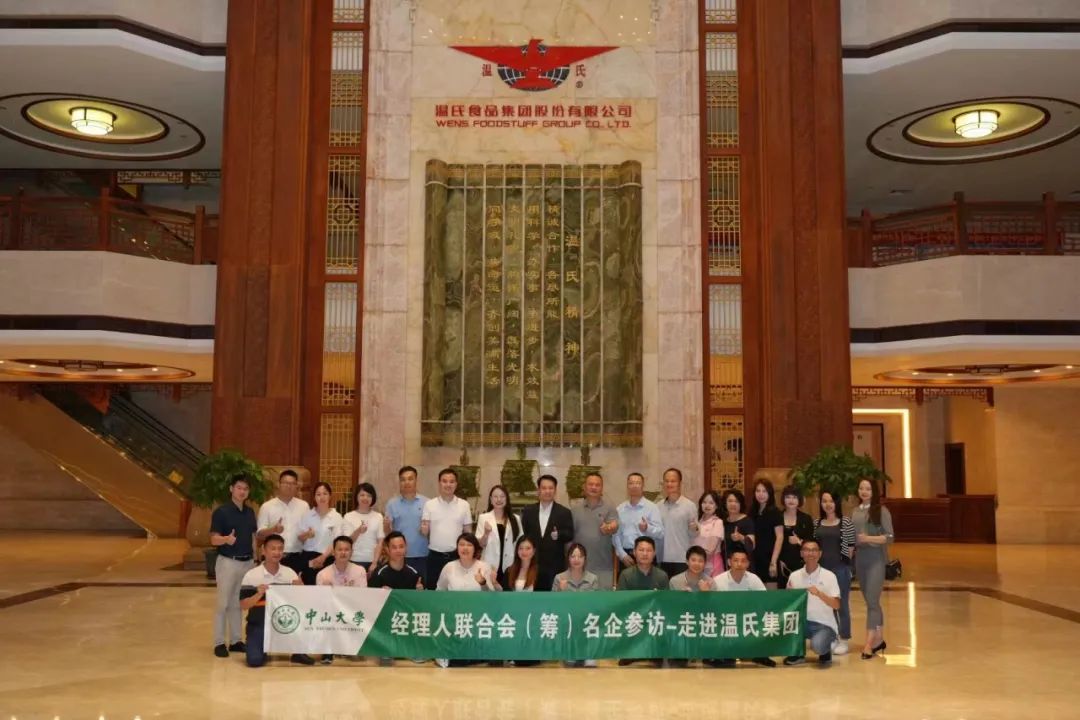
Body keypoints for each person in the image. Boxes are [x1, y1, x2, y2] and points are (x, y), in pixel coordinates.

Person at [238, 533, 312, 667]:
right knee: (254, 661)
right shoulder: (252, 575)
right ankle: (261, 648)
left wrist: (301, 589)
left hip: (286, 622)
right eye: (273, 548)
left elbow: (303, 603)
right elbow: (243, 605)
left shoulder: (290, 573)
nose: (277, 552)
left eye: (280, 549)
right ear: (263, 551)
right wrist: (258, 594)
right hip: (259, 624)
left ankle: (298, 651)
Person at [209, 474, 258, 658]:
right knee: (223, 603)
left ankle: (236, 640)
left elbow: (253, 537)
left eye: (245, 489)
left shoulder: (250, 512)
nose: (242, 491)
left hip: (247, 562)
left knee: (238, 603)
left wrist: (256, 558)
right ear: (231, 489)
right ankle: (219, 642)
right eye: (239, 488)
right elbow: (213, 539)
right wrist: (225, 539)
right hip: (228, 562)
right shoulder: (221, 512)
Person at [434, 533, 497, 668]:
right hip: (454, 617)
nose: (465, 548)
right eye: (461, 544)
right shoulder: (449, 567)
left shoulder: (484, 567)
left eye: (469, 545)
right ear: (457, 548)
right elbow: (439, 592)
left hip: (478, 617)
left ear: (475, 549)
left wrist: (483, 583)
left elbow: (491, 597)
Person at [709, 548, 774, 668]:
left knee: (768, 619)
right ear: (729, 562)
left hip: (748, 619)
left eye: (743, 561)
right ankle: (722, 655)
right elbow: (712, 605)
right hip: (726, 619)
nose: (739, 564)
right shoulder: (718, 580)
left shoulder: (754, 579)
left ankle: (761, 655)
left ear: (748, 564)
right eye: (736, 560)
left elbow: (764, 601)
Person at [852, 478, 895, 660]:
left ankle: (869, 644)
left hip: (876, 559)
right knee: (872, 602)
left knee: (872, 600)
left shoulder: (881, 511)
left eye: (868, 489)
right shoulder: (855, 511)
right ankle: (879, 639)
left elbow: (890, 537)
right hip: (860, 559)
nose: (864, 491)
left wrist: (868, 538)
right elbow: (853, 537)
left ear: (874, 491)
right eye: (861, 488)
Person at [783, 540, 841, 666]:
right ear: (801, 553)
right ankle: (798, 653)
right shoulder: (794, 576)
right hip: (800, 623)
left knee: (818, 646)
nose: (810, 553)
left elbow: (836, 605)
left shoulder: (829, 576)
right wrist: (788, 595)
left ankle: (825, 650)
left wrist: (819, 593)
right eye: (807, 550)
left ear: (820, 553)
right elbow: (787, 602)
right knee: (777, 628)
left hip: (824, 624)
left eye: (814, 550)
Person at [313, 535, 367, 665]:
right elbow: (319, 601)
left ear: (352, 552)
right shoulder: (323, 574)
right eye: (340, 549)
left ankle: (349, 645)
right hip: (331, 613)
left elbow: (363, 597)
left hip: (351, 611)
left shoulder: (359, 571)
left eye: (347, 549)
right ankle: (327, 649)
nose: (343, 553)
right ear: (333, 552)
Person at [615, 536, 668, 668]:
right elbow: (621, 604)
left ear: (654, 553)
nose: (645, 554)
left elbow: (666, 604)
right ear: (634, 552)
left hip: (653, 619)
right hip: (633, 618)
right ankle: (630, 652)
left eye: (649, 550)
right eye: (641, 550)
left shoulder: (662, 576)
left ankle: (655, 652)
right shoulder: (625, 575)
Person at [814, 489, 855, 655]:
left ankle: (844, 638)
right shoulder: (817, 523)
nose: (828, 504)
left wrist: (847, 568)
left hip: (839, 569)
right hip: (822, 571)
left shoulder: (845, 522)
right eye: (824, 501)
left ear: (836, 503)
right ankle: (831, 637)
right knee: (825, 605)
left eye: (831, 501)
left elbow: (850, 547)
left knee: (841, 605)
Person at [520, 474, 575, 592]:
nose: (547, 491)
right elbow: (524, 535)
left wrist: (559, 535)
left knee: (554, 599)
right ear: (538, 490)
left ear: (555, 490)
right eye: (544, 488)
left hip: (555, 566)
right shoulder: (528, 511)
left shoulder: (564, 512)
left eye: (551, 488)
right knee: (532, 598)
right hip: (532, 564)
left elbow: (570, 534)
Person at [421, 468, 473, 590]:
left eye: (451, 481)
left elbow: (468, 532)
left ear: (456, 484)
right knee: (433, 590)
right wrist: (423, 529)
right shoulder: (429, 504)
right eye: (444, 481)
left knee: (456, 590)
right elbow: (424, 532)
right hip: (435, 557)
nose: (448, 484)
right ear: (439, 483)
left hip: (457, 556)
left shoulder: (464, 505)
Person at [553, 543, 600, 668]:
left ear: (585, 559)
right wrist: (561, 591)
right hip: (567, 618)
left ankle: (589, 653)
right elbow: (553, 604)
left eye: (580, 556)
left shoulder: (593, 578)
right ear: (568, 558)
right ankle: (569, 651)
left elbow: (596, 603)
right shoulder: (559, 578)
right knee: (570, 662)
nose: (576, 559)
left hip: (586, 617)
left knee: (593, 620)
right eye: (573, 556)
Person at [569, 472, 619, 589]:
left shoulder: (610, 508)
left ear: (602, 488)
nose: (594, 487)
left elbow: (614, 525)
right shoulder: (575, 510)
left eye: (597, 485)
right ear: (584, 487)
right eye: (590, 484)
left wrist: (609, 528)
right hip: (579, 567)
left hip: (603, 568)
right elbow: (570, 540)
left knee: (603, 600)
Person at [256, 469, 309, 576]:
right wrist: (273, 529)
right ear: (278, 484)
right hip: (273, 557)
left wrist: (307, 535)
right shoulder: (267, 506)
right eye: (286, 483)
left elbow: (307, 531)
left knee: (294, 586)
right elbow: (259, 534)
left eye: (293, 483)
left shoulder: (304, 506)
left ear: (297, 486)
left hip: (297, 557)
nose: (289, 486)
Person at [384, 465, 429, 583]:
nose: (407, 482)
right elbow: (388, 534)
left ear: (416, 480)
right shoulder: (392, 504)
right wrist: (386, 526)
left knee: (420, 588)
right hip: (398, 557)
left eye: (410, 479)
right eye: (403, 479)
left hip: (422, 556)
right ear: (399, 482)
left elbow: (432, 531)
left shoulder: (427, 503)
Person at [613, 473, 663, 577]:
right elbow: (616, 535)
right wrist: (622, 555)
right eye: (631, 483)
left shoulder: (652, 508)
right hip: (626, 556)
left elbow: (660, 533)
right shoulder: (620, 509)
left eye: (638, 483)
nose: (634, 486)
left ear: (643, 486)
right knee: (626, 586)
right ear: (627, 486)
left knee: (648, 586)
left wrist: (647, 528)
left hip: (646, 555)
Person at [296, 482, 343, 585]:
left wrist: (323, 557)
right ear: (314, 497)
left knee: (327, 589)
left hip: (328, 558)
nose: (322, 497)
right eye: (318, 494)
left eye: (325, 493)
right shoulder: (307, 515)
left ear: (330, 496)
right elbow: (300, 538)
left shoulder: (337, 517)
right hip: (309, 557)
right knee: (309, 588)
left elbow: (337, 541)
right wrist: (307, 534)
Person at [769, 484, 815, 589]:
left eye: (794, 497)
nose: (791, 500)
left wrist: (799, 541)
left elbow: (812, 542)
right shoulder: (777, 517)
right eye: (788, 497)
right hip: (781, 564)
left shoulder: (806, 519)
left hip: (801, 564)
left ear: (799, 500)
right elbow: (772, 541)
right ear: (783, 499)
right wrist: (774, 562)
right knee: (783, 594)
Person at [475, 484, 521, 587]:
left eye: (502, 496)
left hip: (510, 566)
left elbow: (520, 543)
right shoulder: (483, 518)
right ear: (491, 499)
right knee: (489, 592)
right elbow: (480, 544)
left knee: (508, 593)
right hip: (489, 564)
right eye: (495, 496)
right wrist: (486, 533)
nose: (499, 499)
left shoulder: (515, 519)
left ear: (507, 499)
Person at [657, 468, 697, 578]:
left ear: (680, 483)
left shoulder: (689, 506)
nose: (669, 484)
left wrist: (694, 529)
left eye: (673, 481)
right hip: (662, 558)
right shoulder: (658, 506)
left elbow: (694, 535)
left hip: (682, 559)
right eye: (666, 481)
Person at [342, 482, 386, 571]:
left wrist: (374, 563)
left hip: (372, 561)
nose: (365, 498)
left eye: (369, 495)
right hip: (353, 560)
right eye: (362, 495)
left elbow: (380, 542)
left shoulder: (378, 516)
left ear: (373, 498)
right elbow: (346, 542)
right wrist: (358, 531)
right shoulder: (348, 516)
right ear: (356, 497)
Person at [749, 479, 782, 581]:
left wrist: (773, 562)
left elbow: (780, 537)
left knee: (771, 588)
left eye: (764, 491)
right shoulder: (752, 511)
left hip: (770, 557)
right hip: (754, 558)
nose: (761, 494)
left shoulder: (775, 512)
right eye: (758, 491)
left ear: (770, 493)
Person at [692, 490, 725, 577]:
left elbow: (710, 549)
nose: (707, 505)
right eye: (704, 502)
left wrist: (697, 561)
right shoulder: (697, 522)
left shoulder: (717, 522)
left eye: (711, 503)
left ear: (716, 506)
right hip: (697, 563)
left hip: (712, 563)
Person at [721, 489, 756, 565]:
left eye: (736, 501)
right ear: (725, 504)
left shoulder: (747, 521)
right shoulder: (723, 522)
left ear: (741, 504)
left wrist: (741, 538)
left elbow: (752, 546)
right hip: (727, 564)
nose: (733, 504)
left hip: (743, 565)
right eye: (730, 501)